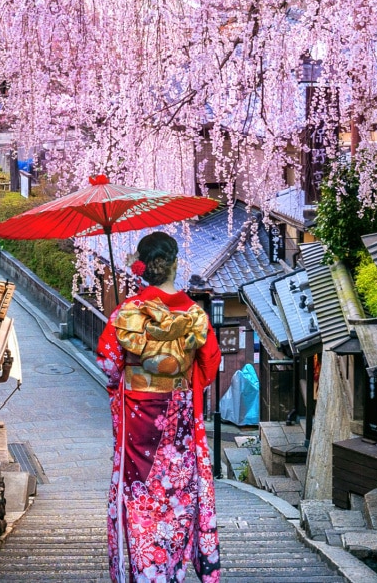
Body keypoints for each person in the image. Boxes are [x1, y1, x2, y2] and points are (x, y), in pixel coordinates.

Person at [98, 231, 222, 582]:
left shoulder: (128, 312)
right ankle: (172, 570)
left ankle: (145, 570)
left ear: (142, 267)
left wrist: (133, 370)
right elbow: (210, 366)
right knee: (176, 494)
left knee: (140, 496)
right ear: (175, 264)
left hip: (139, 418)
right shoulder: (194, 313)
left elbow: (107, 364)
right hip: (179, 416)